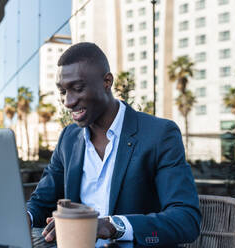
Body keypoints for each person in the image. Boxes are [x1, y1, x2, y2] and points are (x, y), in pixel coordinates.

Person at [27, 42, 201, 247]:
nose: (68, 101)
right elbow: (41, 201)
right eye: (63, 92)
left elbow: (186, 220)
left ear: (107, 81)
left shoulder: (159, 135)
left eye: (77, 88)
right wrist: (24, 218)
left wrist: (112, 226)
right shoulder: (69, 138)